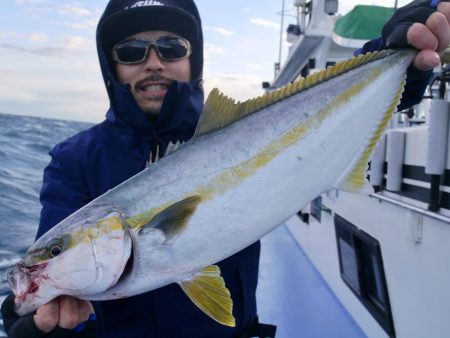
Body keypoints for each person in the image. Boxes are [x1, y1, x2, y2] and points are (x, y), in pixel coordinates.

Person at [1, 0, 450, 337]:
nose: (153, 62)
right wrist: (35, 324)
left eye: (171, 47)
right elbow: (45, 291)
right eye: (133, 50)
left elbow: (312, 115)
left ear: (192, 58)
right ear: (111, 66)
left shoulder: (236, 127)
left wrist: (397, 59)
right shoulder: (75, 159)